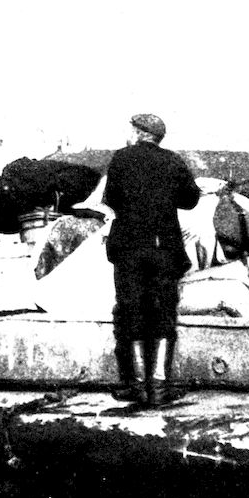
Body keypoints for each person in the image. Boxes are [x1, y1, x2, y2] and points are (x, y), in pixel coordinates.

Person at [103, 114, 200, 406]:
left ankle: (137, 386)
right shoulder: (173, 160)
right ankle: (158, 387)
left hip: (129, 248)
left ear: (139, 132)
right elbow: (190, 200)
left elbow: (111, 198)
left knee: (130, 310)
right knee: (163, 313)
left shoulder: (121, 159)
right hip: (163, 249)